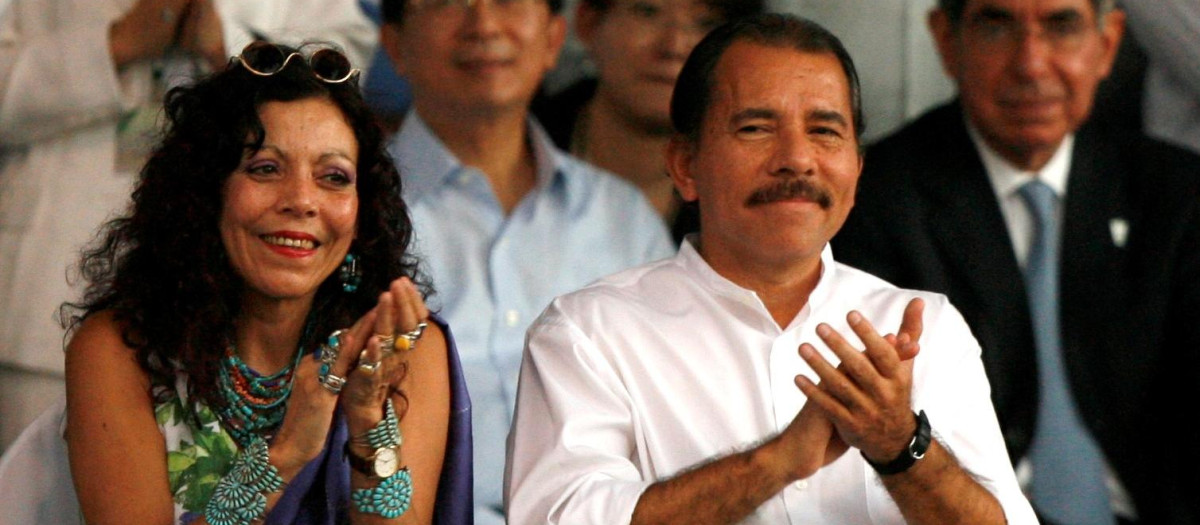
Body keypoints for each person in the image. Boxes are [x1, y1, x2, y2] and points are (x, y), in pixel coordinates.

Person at [505, 14, 1036, 524]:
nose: (797, 160)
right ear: (685, 167)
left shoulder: (924, 329)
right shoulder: (588, 334)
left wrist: (900, 444)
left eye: (825, 131)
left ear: (856, 170)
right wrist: (776, 463)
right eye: (756, 128)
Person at [55, 42, 468, 524]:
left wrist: (367, 428)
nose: (302, 200)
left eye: (334, 177)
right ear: (206, 195)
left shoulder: (399, 348)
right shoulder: (120, 351)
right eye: (266, 169)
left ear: (362, 214)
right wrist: (288, 451)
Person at [833, 0, 1200, 523]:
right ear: (945, 39)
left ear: (1109, 43)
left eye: (1062, 25)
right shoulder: (878, 201)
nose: (1030, 64)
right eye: (996, 25)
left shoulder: (1176, 194)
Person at [0, 0, 377, 454]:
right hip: (41, 306)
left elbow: (341, 87)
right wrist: (117, 44)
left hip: (243, 311)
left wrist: (229, 45)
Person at [378, 0, 673, 522]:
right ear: (395, 45)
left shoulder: (626, 221)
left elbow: (672, 420)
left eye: (510, 1)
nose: (484, 25)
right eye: (449, 3)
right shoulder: (351, 218)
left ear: (554, 40)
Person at [533, 0, 763, 241]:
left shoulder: (749, 196)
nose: (673, 46)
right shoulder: (519, 149)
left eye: (704, 23)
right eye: (648, 12)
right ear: (588, 23)